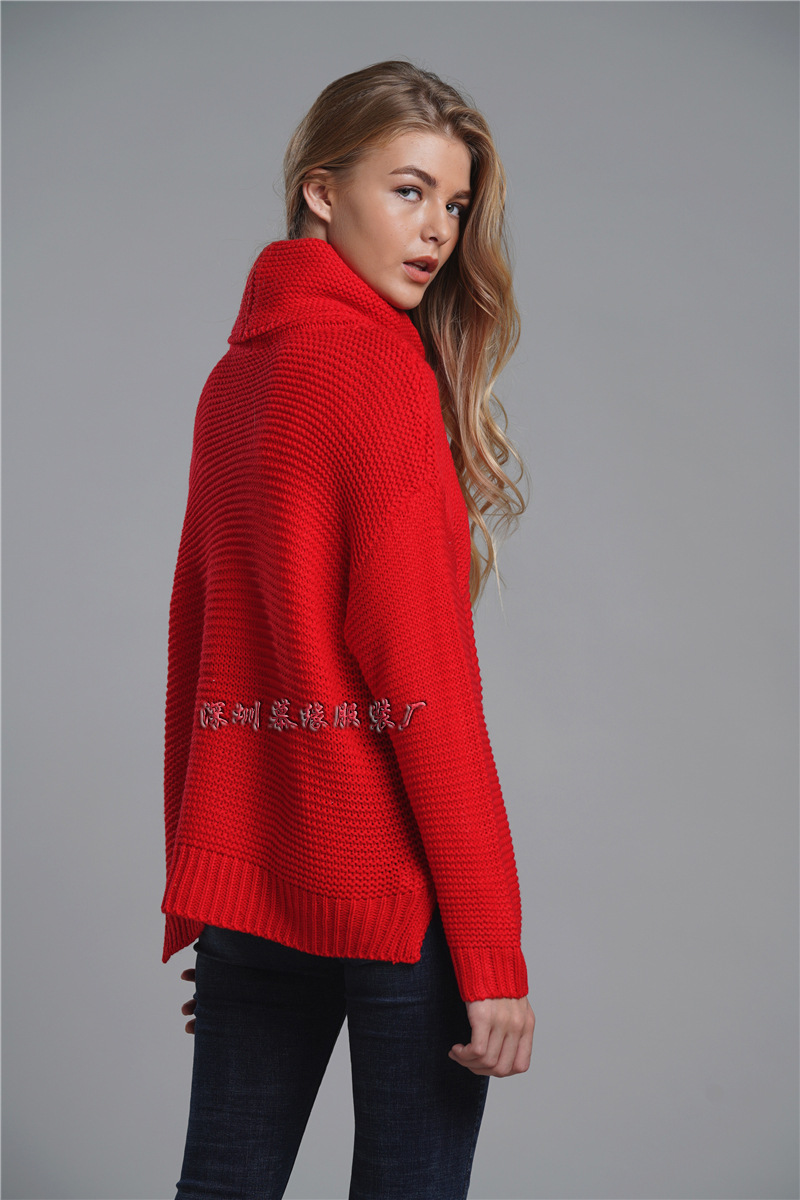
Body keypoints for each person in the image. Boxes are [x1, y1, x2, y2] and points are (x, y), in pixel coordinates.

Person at [162, 59, 535, 1200]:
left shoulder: (234, 382)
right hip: (395, 897)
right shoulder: (378, 376)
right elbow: (428, 691)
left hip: (258, 887)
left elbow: (202, 658)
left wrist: (212, 888)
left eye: (454, 205)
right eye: (408, 191)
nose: (436, 232)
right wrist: (490, 950)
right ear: (321, 192)